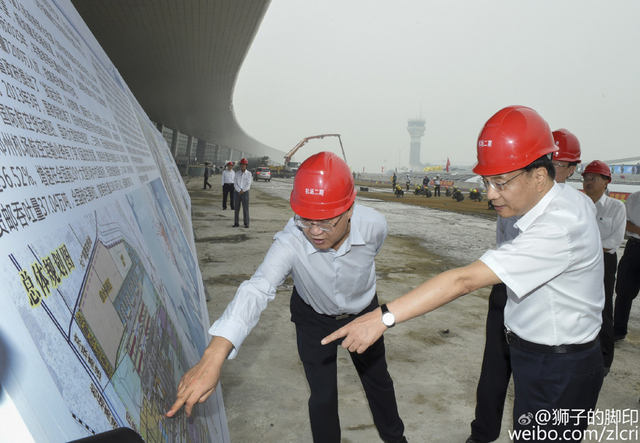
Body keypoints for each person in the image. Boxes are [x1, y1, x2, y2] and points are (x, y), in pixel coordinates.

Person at [323, 106, 605, 443]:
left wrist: (380, 318)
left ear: (539, 176)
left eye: (500, 182)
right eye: (487, 181)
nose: (489, 193)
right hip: (539, 357)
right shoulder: (567, 202)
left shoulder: (558, 227)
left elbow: (463, 281)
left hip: (557, 367)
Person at [167, 152, 408, 443]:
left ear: (349, 209)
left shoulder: (374, 225)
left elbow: (372, 252)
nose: (315, 232)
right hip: (313, 319)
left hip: (365, 314)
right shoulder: (291, 240)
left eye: (326, 222)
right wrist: (214, 355)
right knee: (322, 397)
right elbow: (257, 288)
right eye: (305, 219)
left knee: (378, 382)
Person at [465, 127, 583, 443]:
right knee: (495, 366)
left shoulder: (572, 208)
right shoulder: (515, 197)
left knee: (537, 376)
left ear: (571, 170)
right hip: (507, 286)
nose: (549, 172)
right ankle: (483, 432)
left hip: (548, 296)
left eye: (559, 166)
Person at [582, 160, 626, 374]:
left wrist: (583, 248)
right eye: (586, 178)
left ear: (606, 181)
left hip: (602, 262)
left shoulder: (616, 207)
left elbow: (613, 242)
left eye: (594, 178)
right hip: (577, 262)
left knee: (603, 309)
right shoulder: (578, 204)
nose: (588, 182)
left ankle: (604, 359)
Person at [613, 190, 640, 340]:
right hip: (634, 247)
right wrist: (638, 230)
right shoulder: (634, 198)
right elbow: (625, 222)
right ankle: (618, 329)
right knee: (624, 290)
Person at [233, 158, 251, 228]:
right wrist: (238, 190)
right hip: (237, 192)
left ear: (246, 165)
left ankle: (246, 223)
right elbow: (235, 183)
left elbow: (248, 184)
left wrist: (243, 190)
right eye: (241, 164)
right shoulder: (237, 173)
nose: (242, 166)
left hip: (245, 192)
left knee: (245, 209)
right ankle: (236, 222)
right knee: (236, 208)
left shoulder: (249, 174)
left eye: (244, 164)